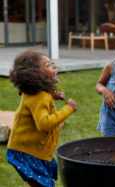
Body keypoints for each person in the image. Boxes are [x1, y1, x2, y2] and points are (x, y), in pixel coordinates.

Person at [6, 48, 77, 187]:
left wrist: (53, 95)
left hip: (29, 150)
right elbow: (44, 124)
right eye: (48, 65)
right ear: (36, 75)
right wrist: (68, 109)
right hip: (26, 153)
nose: (54, 66)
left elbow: (35, 101)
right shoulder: (41, 97)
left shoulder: (34, 92)